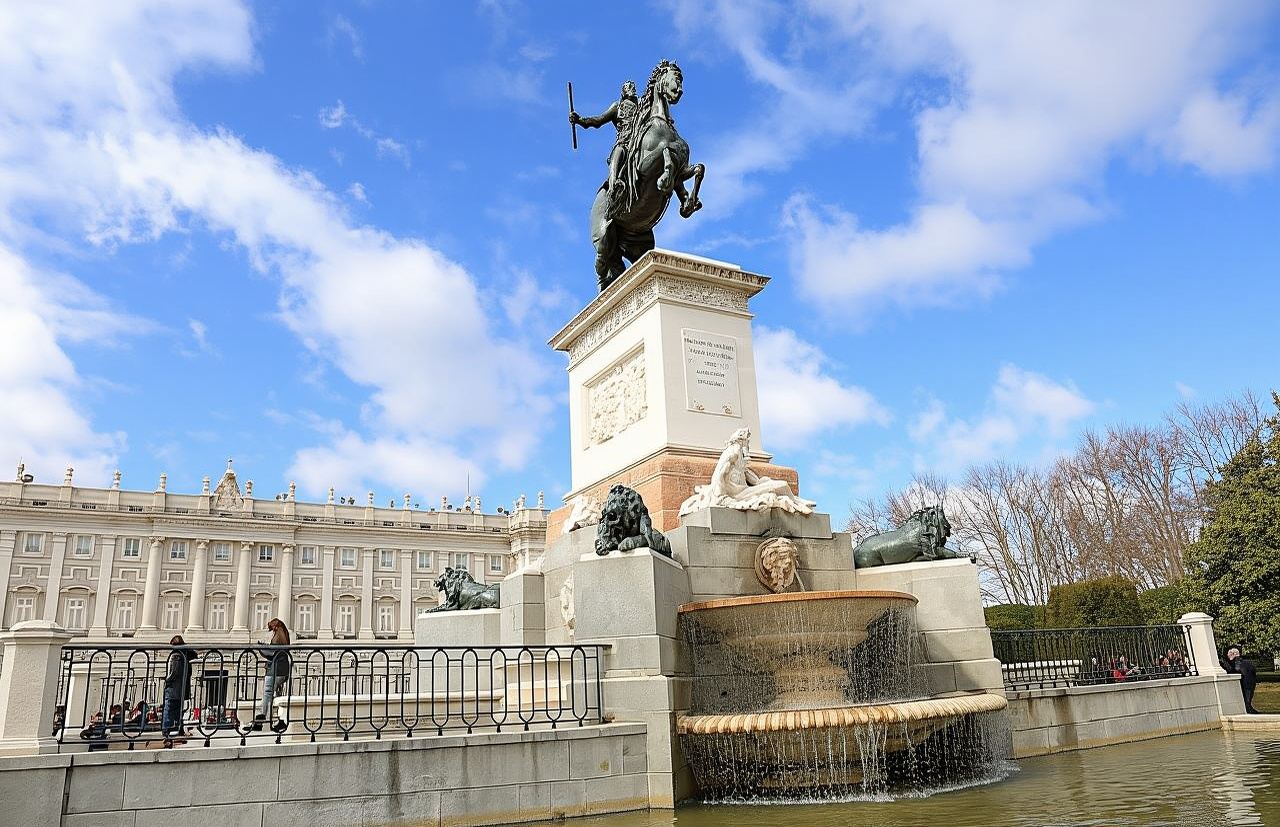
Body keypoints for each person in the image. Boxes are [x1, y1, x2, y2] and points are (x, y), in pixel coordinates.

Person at [569, 80, 640, 199]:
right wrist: (580, 120)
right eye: (628, 87)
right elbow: (598, 121)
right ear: (623, 92)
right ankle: (613, 185)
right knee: (618, 152)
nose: (632, 89)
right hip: (624, 142)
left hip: (639, 141)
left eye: (633, 87)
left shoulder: (641, 106)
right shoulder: (617, 106)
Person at [251, 617, 292, 732]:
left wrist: (261, 647)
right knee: (276, 695)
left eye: (272, 629)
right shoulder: (285, 636)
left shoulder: (278, 637)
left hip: (275, 670)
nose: (272, 631)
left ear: (276, 627)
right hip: (282, 671)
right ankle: (281, 720)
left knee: (267, 693)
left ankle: (260, 720)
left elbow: (271, 652)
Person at [162, 634, 198, 747]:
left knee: (168, 709)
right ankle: (178, 730)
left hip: (173, 689)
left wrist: (166, 681)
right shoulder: (185, 655)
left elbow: (173, 673)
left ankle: (167, 732)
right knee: (178, 710)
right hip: (182, 689)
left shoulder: (176, 656)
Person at [1221, 646, 1259, 714]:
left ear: (1233, 654)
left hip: (1245, 683)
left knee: (1246, 700)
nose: (1227, 655)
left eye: (1229, 654)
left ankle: (1248, 709)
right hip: (1250, 683)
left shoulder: (1236, 663)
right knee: (1248, 699)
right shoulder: (1247, 664)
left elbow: (1236, 670)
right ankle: (1249, 708)